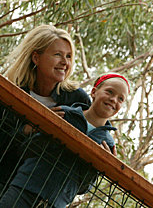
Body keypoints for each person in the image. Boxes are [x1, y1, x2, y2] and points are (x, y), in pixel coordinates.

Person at [0, 73, 129, 208]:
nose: (114, 99)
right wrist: (48, 131)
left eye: (121, 99)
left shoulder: (107, 144)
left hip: (57, 204)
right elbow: (27, 149)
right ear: (94, 92)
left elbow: (83, 187)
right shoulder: (63, 114)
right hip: (24, 189)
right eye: (109, 92)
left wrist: (99, 167)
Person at [0, 25, 91, 192]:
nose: (65, 62)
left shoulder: (78, 101)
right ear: (36, 58)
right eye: (58, 55)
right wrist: (30, 128)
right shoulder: (9, 94)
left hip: (44, 195)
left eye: (69, 56)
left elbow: (84, 179)